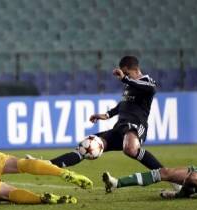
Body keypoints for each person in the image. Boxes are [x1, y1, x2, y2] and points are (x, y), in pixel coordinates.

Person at [29, 56, 166, 174]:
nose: (124, 76)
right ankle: (46, 164)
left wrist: (125, 79)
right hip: (119, 128)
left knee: (130, 149)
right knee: (86, 147)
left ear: (134, 69)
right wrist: (106, 115)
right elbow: (123, 104)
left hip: (136, 126)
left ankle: (169, 175)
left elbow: (150, 89)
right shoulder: (130, 85)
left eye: (126, 73)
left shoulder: (147, 82)